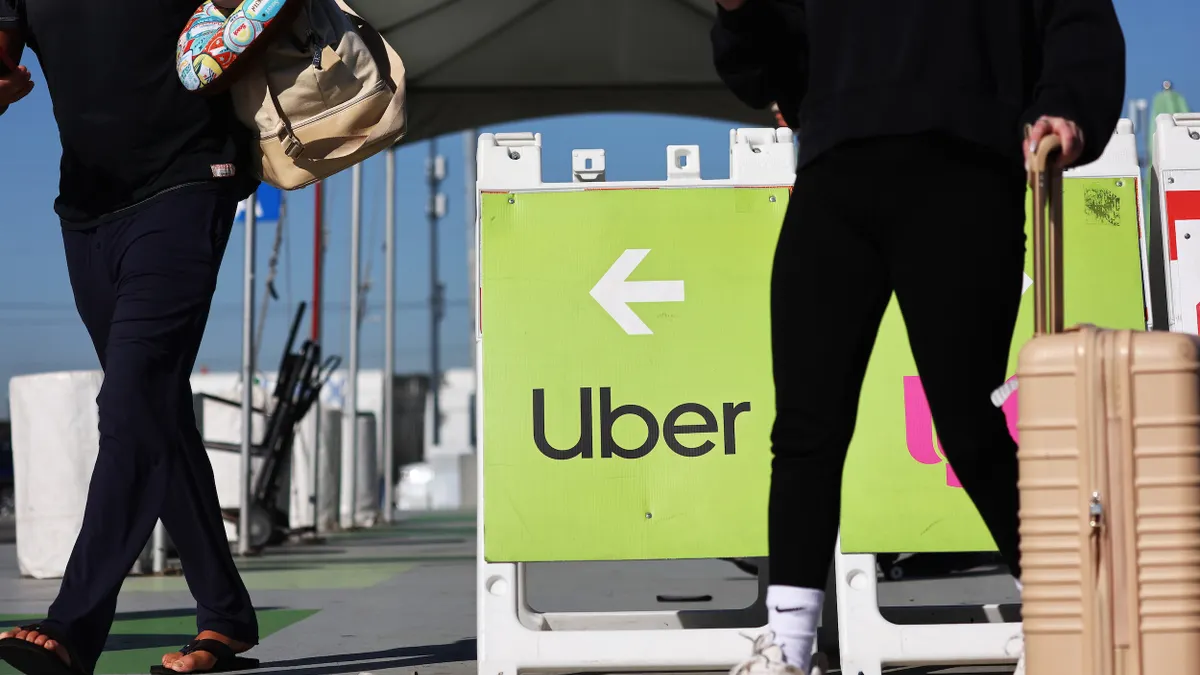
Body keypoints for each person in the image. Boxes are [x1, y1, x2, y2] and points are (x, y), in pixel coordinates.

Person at [710, 1, 1125, 674]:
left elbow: (1076, 15)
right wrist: (737, 11)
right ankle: (785, 648)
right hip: (834, 171)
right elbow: (768, 70)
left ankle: (1069, 620)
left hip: (962, 164)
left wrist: (1068, 102)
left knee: (968, 421)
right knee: (805, 428)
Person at [0, 0, 263, 672]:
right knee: (156, 412)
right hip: (88, 211)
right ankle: (225, 618)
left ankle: (72, 626)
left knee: (130, 401)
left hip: (187, 179)